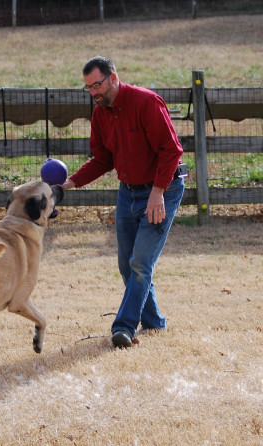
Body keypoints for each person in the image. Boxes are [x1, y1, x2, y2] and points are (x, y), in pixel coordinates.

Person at [63, 56, 185, 349]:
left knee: (141, 262)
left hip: (162, 190)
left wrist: (157, 192)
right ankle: (154, 322)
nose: (94, 93)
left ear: (113, 77)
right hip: (127, 191)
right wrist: (69, 183)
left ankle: (124, 327)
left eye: (97, 85)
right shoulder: (100, 114)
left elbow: (172, 150)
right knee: (126, 265)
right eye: (88, 88)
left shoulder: (146, 102)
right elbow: (103, 159)